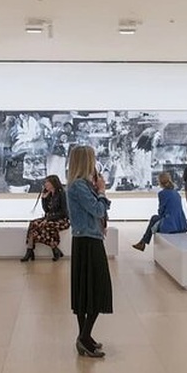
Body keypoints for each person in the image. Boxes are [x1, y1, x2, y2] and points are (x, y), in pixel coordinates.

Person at [66, 145, 112, 358]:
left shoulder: (81, 185)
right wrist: (101, 191)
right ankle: (84, 337)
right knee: (95, 289)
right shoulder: (78, 186)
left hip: (86, 240)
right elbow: (98, 209)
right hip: (88, 242)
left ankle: (85, 336)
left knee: (86, 291)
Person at [22, 175, 70, 262]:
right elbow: (46, 210)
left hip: (61, 220)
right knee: (33, 224)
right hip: (49, 218)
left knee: (46, 226)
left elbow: (64, 212)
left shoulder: (62, 194)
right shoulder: (49, 194)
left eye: (47, 182)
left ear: (53, 183)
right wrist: (44, 199)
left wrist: (48, 219)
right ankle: (30, 249)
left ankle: (55, 249)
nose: (45, 184)